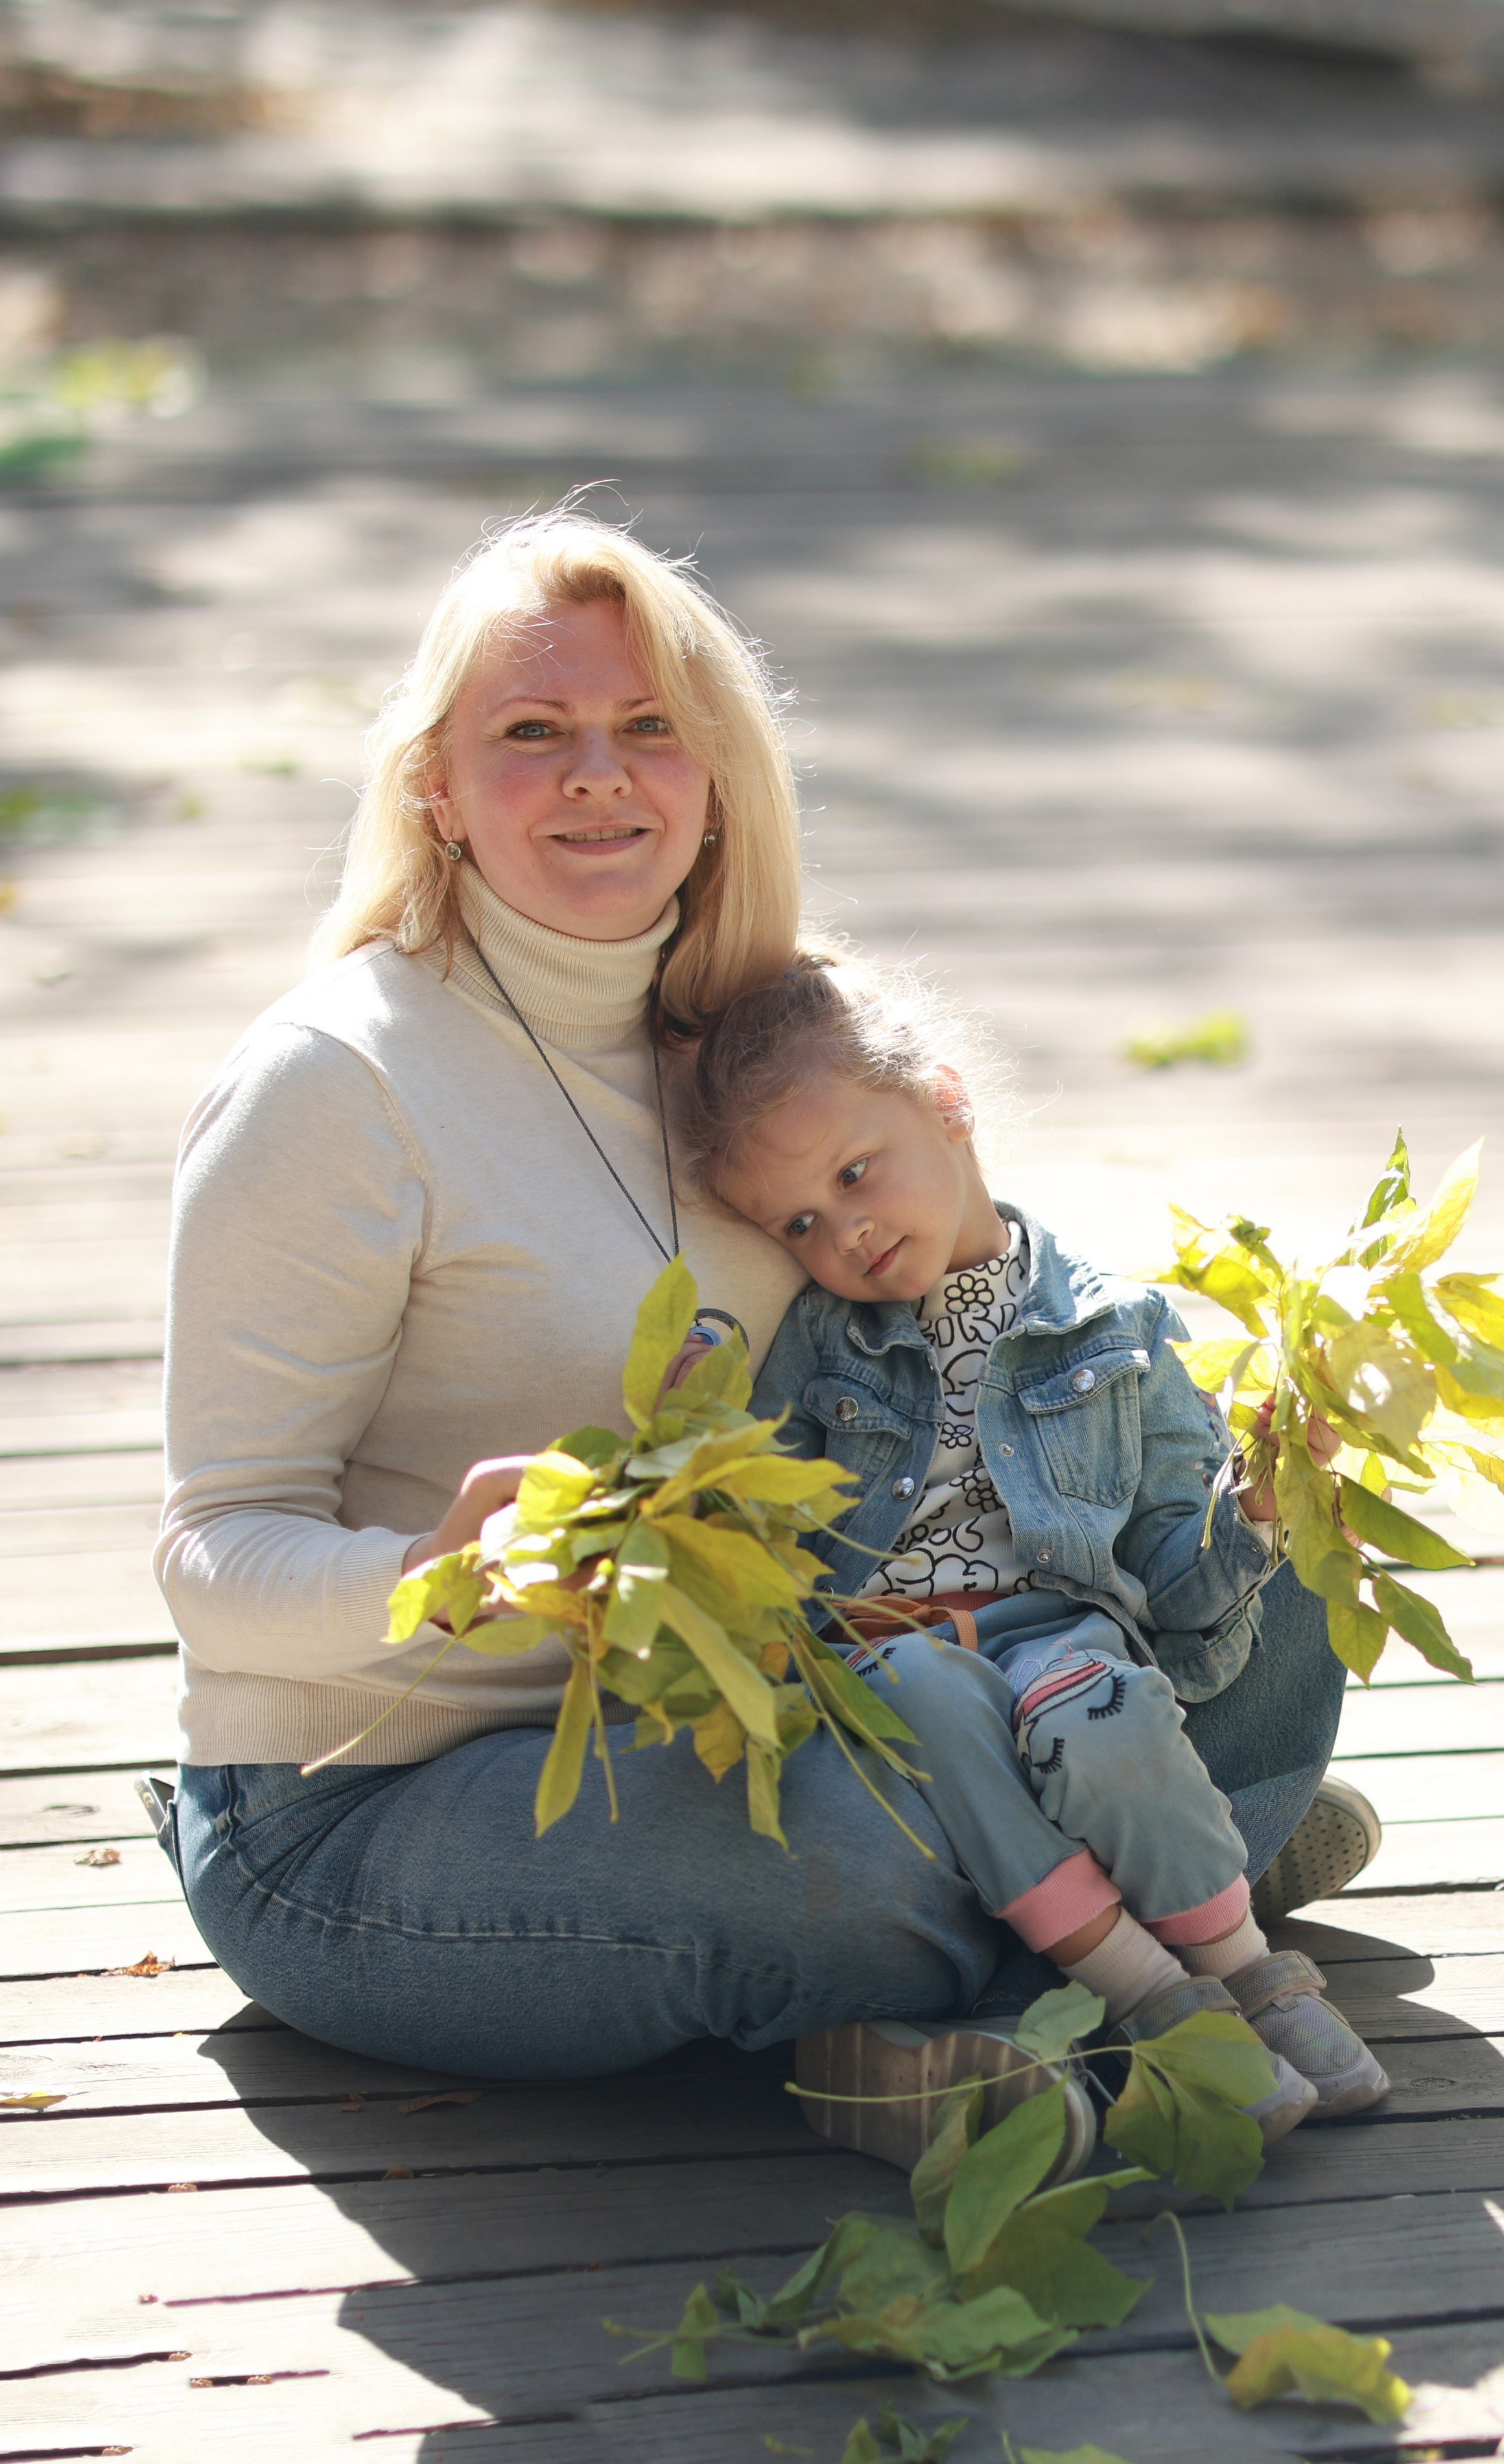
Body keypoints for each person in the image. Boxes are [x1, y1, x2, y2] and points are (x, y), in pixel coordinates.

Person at [154, 505, 1358, 2168]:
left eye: (649, 726)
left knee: (1272, 1581)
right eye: (532, 732)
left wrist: (1217, 1440)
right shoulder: (335, 1082)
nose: (599, 774)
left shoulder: (766, 1034)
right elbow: (212, 1547)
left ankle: (1097, 1914)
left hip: (811, 1697)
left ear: (715, 772)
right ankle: (1163, 1897)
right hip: (398, 1789)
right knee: (835, 1855)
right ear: (433, 780)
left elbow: (967, 1294)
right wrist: (446, 1575)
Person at [679, 950, 1389, 2170]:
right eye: (801, 1221)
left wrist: (1256, 1507)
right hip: (888, 1642)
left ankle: (1247, 1974)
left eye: (857, 1173)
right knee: (922, 1701)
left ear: (946, 1104)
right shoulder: (812, 1345)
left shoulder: (1117, 1325)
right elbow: (773, 1519)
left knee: (1106, 1709)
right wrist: (700, 1440)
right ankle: (1154, 2000)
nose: (845, 1230)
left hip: (1059, 1626)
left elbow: (1175, 1570)